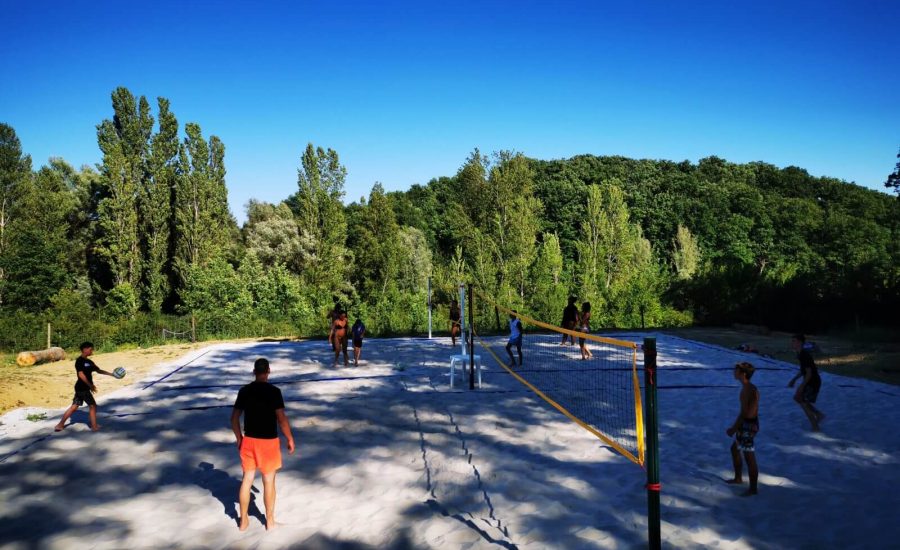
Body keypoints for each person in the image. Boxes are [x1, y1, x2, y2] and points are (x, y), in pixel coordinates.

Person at [231, 358, 295, 531]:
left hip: (249, 440)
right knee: (269, 481)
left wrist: (239, 438)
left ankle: (243, 521)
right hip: (268, 443)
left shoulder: (244, 391)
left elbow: (234, 418)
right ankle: (270, 522)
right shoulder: (274, 392)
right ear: (268, 371)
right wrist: (289, 438)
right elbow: (281, 419)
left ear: (254, 372)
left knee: (247, 480)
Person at [54, 342, 115, 432]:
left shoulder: (89, 362)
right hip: (82, 387)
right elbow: (81, 374)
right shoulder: (79, 361)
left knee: (74, 407)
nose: (92, 351)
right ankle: (94, 427)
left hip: (81, 388)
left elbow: (99, 370)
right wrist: (90, 385)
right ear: (85, 349)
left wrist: (112, 374)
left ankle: (60, 425)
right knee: (92, 406)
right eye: (91, 349)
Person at [725, 362, 760, 496]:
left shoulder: (749, 390)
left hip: (748, 425)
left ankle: (753, 489)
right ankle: (738, 478)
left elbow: (745, 414)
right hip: (748, 423)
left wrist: (733, 429)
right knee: (734, 449)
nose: (734, 372)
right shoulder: (747, 388)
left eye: (736, 370)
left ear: (743, 373)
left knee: (749, 456)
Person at [789, 333, 824, 431]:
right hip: (811, 380)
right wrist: (794, 379)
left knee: (802, 402)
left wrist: (801, 386)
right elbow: (803, 370)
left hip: (813, 382)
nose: (792, 343)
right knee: (798, 398)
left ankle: (815, 427)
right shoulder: (800, 354)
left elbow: (809, 373)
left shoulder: (804, 355)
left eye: (794, 341)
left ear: (800, 343)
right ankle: (818, 414)